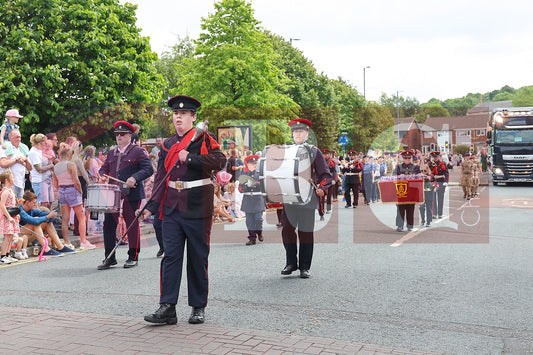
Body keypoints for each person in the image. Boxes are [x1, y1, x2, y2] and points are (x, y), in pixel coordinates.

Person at [142, 95, 226, 325]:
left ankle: (198, 307)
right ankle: (167, 307)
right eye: (175, 114)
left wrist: (190, 158)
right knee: (171, 257)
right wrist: (151, 206)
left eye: (183, 114)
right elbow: (161, 176)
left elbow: (220, 161)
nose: (178, 117)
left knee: (197, 258)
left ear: (193, 117)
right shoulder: (167, 144)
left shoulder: (203, 139)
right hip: (171, 206)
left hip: (198, 205)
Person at [280, 119, 332, 279]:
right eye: (295, 132)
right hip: (289, 197)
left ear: (307, 134)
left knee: (305, 233)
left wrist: (322, 188)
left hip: (307, 197)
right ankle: (291, 263)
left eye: (301, 131)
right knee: (287, 230)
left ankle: (304, 267)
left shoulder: (314, 152)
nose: (298, 134)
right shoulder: (285, 151)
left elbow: (325, 175)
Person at [97, 121, 153, 270]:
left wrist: (134, 177)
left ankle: (133, 255)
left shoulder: (138, 151)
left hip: (131, 193)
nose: (119, 137)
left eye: (122, 134)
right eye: (116, 134)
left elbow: (148, 169)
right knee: (108, 224)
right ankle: (109, 257)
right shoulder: (112, 152)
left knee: (132, 224)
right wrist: (102, 176)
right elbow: (103, 169)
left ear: (130, 135)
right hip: (114, 193)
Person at [53, 143, 95, 249]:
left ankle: (67, 242)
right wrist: (80, 191)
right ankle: (83, 242)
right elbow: (76, 180)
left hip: (62, 190)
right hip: (72, 189)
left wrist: (60, 191)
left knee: (65, 219)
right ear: (68, 154)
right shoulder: (71, 165)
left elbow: (55, 183)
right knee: (81, 217)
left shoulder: (56, 166)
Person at [18, 191, 75, 256]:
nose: (35, 204)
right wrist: (48, 216)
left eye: (36, 202)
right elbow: (34, 221)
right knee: (37, 222)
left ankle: (60, 247)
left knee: (47, 222)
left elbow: (48, 217)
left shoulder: (32, 209)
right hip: (21, 237)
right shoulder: (20, 210)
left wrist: (51, 215)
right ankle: (46, 249)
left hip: (29, 235)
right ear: (27, 202)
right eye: (33, 203)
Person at [238, 155, 265, 245]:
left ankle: (259, 232)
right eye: (251, 163)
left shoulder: (261, 173)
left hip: (258, 199)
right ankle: (252, 238)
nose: (254, 165)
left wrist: (254, 184)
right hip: (248, 199)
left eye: (255, 163)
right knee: (249, 221)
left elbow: (264, 185)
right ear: (247, 164)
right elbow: (240, 189)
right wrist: (245, 186)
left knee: (258, 219)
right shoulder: (244, 174)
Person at [0, 129, 33, 199]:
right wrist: (16, 159)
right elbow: (3, 163)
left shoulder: (22, 149)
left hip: (21, 183)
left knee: (18, 206)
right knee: (9, 206)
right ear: (9, 138)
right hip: (8, 183)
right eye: (16, 137)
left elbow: (30, 168)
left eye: (20, 137)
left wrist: (26, 159)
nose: (19, 139)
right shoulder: (5, 148)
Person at [394, 150, 421, 232]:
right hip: (401, 190)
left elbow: (419, 177)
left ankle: (410, 225)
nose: (407, 159)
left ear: (411, 158)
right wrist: (399, 176)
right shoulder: (398, 166)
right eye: (405, 158)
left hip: (411, 190)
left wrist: (411, 176)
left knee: (410, 209)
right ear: (403, 158)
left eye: (409, 158)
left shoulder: (416, 167)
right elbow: (394, 176)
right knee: (400, 209)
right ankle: (400, 225)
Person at [0, 170, 22, 264]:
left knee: (10, 236)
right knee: (7, 237)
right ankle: (3, 256)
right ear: (6, 180)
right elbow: (2, 205)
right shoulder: (5, 191)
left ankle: (8, 255)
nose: (14, 179)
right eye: (12, 178)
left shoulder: (11, 190)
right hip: (7, 216)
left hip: (12, 215)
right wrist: (9, 217)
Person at [28, 133, 55, 205]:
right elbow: (39, 169)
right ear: (40, 143)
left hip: (47, 179)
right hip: (40, 181)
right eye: (45, 143)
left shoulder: (39, 151)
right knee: (43, 203)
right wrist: (51, 166)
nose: (46, 145)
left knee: (50, 202)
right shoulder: (34, 153)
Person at [429, 151, 449, 219]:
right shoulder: (431, 164)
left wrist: (446, 181)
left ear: (439, 157)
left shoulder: (443, 164)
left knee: (440, 198)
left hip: (441, 181)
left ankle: (440, 213)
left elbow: (446, 173)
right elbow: (429, 172)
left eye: (436, 157)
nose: (435, 158)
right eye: (434, 157)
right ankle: (434, 213)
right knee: (433, 198)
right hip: (434, 181)